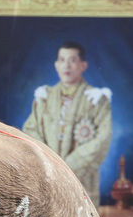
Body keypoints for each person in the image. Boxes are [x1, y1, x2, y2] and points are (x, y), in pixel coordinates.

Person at [22, 41, 112, 207]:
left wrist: (66, 167)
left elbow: (101, 140)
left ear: (83, 65)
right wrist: (49, 162)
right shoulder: (44, 97)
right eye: (62, 60)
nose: (66, 65)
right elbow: (30, 130)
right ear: (56, 65)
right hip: (47, 177)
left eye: (72, 60)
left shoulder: (96, 99)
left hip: (82, 180)